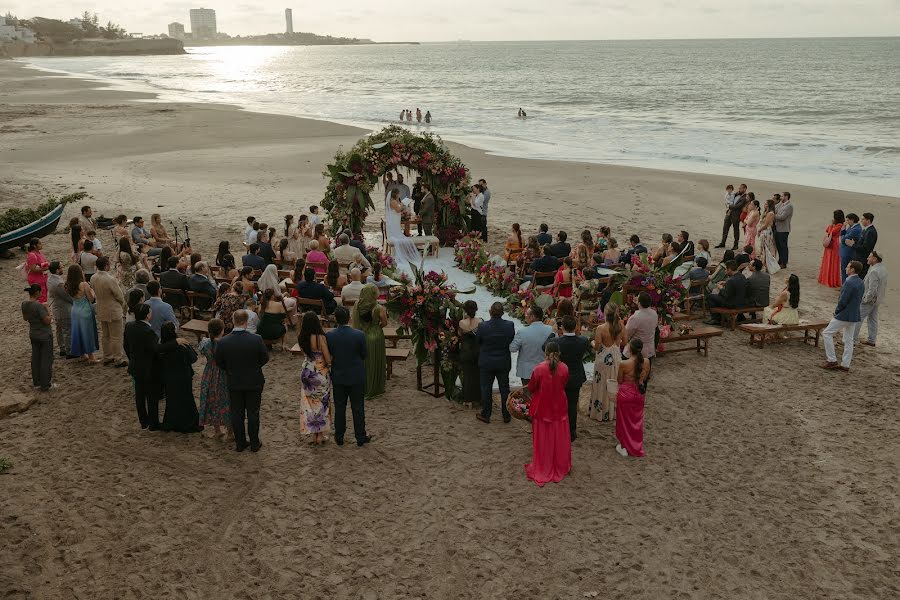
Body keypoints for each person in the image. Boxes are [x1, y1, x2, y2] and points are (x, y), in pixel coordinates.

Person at [215, 310, 269, 452]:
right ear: (247, 322)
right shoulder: (256, 339)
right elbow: (264, 358)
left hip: (234, 380)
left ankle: (240, 443)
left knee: (237, 413)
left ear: (233, 321)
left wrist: (231, 369)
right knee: (253, 412)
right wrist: (254, 367)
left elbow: (219, 362)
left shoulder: (224, 342)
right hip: (253, 380)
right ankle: (254, 443)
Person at [524, 342, 572, 487]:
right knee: (559, 436)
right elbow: (564, 383)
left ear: (545, 352)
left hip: (543, 407)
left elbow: (532, 387)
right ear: (559, 353)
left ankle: (544, 464)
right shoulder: (564, 368)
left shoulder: (538, 369)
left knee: (543, 438)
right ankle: (560, 464)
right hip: (559, 405)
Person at [326, 306, 373, 447]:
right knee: (358, 407)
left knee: (340, 407)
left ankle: (339, 436)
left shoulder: (330, 335)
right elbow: (364, 354)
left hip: (339, 375)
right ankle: (360, 436)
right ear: (349, 318)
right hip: (356, 375)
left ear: (336, 318)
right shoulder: (359, 335)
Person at [157, 322, 202, 433]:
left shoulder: (162, 347)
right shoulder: (182, 345)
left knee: (172, 400)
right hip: (183, 376)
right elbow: (194, 359)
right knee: (186, 399)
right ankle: (188, 423)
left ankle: (172, 422)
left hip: (169, 377)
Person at [551, 315, 590, 442]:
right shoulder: (583, 341)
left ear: (562, 327)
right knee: (572, 404)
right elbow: (589, 350)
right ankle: (571, 431)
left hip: (561, 376)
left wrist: (553, 334)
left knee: (559, 403)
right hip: (575, 376)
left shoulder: (557, 342)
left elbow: (544, 347)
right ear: (576, 327)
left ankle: (559, 429)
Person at [475, 302, 515, 424]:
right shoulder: (509, 325)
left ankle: (486, 414)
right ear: (502, 313)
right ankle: (506, 414)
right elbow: (511, 339)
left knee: (486, 388)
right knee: (504, 388)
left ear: (490, 312)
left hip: (487, 361)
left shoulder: (483, 326)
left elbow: (478, 341)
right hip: (503, 360)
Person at [124, 303, 162, 429]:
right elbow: (155, 350)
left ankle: (143, 421)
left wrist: (132, 358)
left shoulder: (129, 326)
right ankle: (153, 423)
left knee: (139, 395)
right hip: (149, 368)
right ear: (148, 315)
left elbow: (126, 346)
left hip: (135, 365)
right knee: (152, 396)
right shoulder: (149, 332)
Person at [297, 311, 333, 445]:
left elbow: (304, 353)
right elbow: (326, 354)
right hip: (320, 371)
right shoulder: (319, 337)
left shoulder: (301, 337)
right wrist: (329, 364)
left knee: (310, 404)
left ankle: (314, 434)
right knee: (322, 402)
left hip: (307, 370)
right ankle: (321, 434)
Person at [823, 261, 865, 372]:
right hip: (854, 315)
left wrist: (837, 311)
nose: (846, 268)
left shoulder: (849, 282)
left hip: (844, 314)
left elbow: (843, 300)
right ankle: (845, 364)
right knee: (848, 340)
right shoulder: (861, 282)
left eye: (848, 267)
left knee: (827, 333)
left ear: (852, 270)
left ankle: (831, 360)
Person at [615, 338, 651, 457]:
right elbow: (645, 378)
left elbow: (619, 380)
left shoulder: (624, 363)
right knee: (636, 420)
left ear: (630, 349)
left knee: (624, 421)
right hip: (639, 393)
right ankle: (636, 445)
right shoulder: (646, 362)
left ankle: (624, 446)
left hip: (626, 393)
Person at [590, 304, 626, 422]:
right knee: (614, 382)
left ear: (605, 313)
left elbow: (597, 347)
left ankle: (601, 411)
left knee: (601, 384)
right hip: (615, 357)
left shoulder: (601, 328)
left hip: (603, 359)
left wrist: (592, 343)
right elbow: (625, 342)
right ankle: (613, 412)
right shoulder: (621, 325)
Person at [90, 257, 127, 367]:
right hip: (112, 308)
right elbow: (119, 295)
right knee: (116, 336)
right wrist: (122, 305)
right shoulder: (110, 279)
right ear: (106, 266)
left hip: (101, 307)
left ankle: (107, 356)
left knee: (105, 335)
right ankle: (118, 358)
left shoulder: (93, 277)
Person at [352, 284, 387, 400]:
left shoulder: (357, 305)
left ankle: (362, 387)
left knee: (363, 363)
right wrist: (376, 327)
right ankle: (375, 388)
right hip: (375, 337)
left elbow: (353, 320)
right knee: (375, 362)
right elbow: (384, 323)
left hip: (360, 336)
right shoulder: (378, 308)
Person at [510, 306, 554, 385]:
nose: (525, 315)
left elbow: (513, 348)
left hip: (527, 371)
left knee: (528, 395)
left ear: (533, 317)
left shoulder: (522, 332)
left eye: (527, 314)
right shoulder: (551, 330)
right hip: (546, 369)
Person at [22, 284, 54, 391]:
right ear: (37, 293)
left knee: (35, 359)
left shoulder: (24, 304)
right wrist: (48, 310)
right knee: (46, 359)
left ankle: (37, 383)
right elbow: (47, 321)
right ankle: (45, 384)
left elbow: (25, 318)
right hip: (44, 335)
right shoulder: (38, 306)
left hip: (33, 334)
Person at [66, 264, 100, 363]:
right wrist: (92, 291)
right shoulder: (83, 284)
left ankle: (82, 355)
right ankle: (91, 357)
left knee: (78, 332)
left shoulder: (67, 285)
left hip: (75, 310)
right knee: (87, 333)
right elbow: (91, 298)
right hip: (84, 310)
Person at [385, 188, 423, 269]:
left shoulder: (395, 200)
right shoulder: (393, 201)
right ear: (395, 194)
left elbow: (399, 208)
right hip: (394, 220)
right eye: (398, 194)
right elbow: (398, 210)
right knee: (399, 237)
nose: (399, 195)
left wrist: (402, 202)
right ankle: (402, 254)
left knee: (400, 234)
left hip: (396, 219)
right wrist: (403, 203)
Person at [855, 251, 886, 347]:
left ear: (875, 259)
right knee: (873, 319)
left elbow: (872, 288)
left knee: (858, 318)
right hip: (877, 300)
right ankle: (872, 340)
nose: (868, 258)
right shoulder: (883, 269)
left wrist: (865, 299)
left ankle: (852, 340)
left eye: (870, 257)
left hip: (870, 300)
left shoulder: (874, 271)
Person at [705, 261, 748, 326]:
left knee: (710, 297)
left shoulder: (731, 280)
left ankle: (716, 319)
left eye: (726, 269)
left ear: (730, 269)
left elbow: (725, 295)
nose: (725, 271)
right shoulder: (742, 276)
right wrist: (726, 282)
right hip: (741, 302)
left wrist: (720, 288)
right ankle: (721, 317)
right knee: (716, 297)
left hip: (731, 304)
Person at [458, 301, 482, 406]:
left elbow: (459, 335)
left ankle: (467, 399)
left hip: (466, 352)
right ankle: (478, 398)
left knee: (467, 376)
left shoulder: (462, 323)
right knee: (478, 375)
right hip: (478, 351)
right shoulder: (481, 321)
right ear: (476, 310)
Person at [47, 262, 73, 358]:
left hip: (56, 307)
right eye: (61, 267)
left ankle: (62, 349)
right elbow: (66, 296)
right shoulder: (58, 283)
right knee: (67, 330)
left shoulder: (50, 279)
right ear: (57, 270)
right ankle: (69, 351)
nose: (63, 269)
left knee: (59, 329)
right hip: (63, 309)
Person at [818, 209, 845, 288]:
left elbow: (831, 232)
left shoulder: (840, 225)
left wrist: (832, 225)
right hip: (830, 242)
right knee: (827, 260)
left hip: (834, 243)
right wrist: (832, 225)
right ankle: (826, 278)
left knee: (832, 261)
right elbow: (827, 230)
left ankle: (831, 280)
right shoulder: (835, 225)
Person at [717, 183, 748, 249]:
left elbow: (738, 206)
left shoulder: (744, 197)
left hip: (736, 215)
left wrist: (729, 206)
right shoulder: (736, 194)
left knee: (736, 230)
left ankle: (735, 245)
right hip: (729, 213)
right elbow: (729, 198)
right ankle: (722, 242)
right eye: (739, 188)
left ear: (745, 189)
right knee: (725, 228)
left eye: (741, 188)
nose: (739, 189)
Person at [755, 198, 780, 274]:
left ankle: (768, 266)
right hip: (764, 232)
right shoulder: (767, 212)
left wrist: (759, 230)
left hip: (766, 232)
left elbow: (766, 225)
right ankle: (765, 265)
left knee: (767, 249)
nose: (764, 205)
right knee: (763, 249)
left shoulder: (770, 213)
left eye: (766, 204)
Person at [24, 238, 50, 303]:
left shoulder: (38, 253)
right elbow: (33, 269)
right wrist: (45, 268)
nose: (41, 244)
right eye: (39, 243)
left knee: (43, 296)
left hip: (41, 278)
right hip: (36, 279)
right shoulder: (32, 255)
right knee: (41, 297)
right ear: (34, 246)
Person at [839, 213, 862, 283]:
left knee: (846, 271)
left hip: (848, 253)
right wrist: (843, 230)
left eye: (848, 220)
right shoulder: (852, 227)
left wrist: (843, 236)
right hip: (845, 252)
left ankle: (845, 285)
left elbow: (843, 240)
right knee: (844, 270)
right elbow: (844, 236)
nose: (847, 222)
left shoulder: (856, 229)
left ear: (852, 220)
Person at [774, 192, 793, 268]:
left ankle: (784, 262)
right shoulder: (781, 204)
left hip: (784, 229)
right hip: (777, 228)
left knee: (783, 246)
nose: (781, 198)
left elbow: (782, 217)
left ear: (786, 196)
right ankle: (780, 260)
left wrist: (773, 215)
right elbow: (775, 209)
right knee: (778, 245)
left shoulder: (789, 206)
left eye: (782, 196)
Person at [855, 213, 878, 277]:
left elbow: (865, 248)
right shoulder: (866, 229)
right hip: (860, 258)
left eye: (863, 219)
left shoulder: (870, 232)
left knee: (860, 276)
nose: (861, 221)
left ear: (868, 220)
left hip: (863, 259)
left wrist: (853, 245)